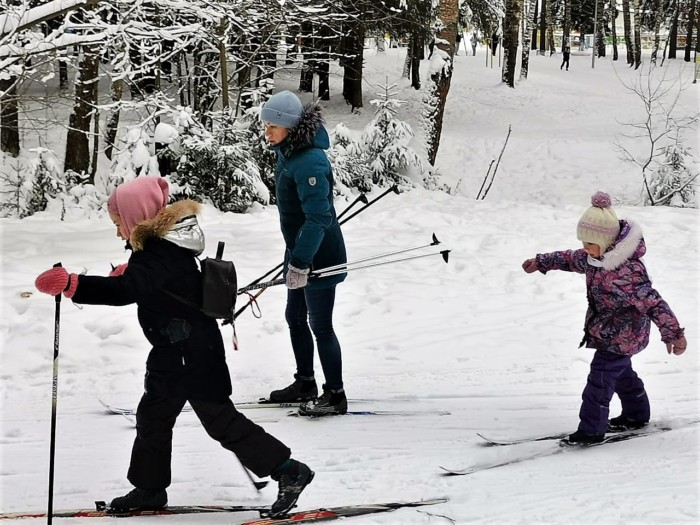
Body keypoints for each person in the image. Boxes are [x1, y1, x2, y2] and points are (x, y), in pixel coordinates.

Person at [34, 176, 313, 516]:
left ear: (135, 217)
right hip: (174, 353)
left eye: (119, 223)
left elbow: (128, 290)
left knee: (220, 420)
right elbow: (150, 282)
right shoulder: (161, 248)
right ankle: (149, 488)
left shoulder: (157, 252)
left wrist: (74, 284)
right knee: (152, 418)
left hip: (192, 356)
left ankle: (289, 471)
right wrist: (127, 275)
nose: (118, 231)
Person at [521, 191, 687, 445]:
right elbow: (568, 258)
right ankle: (636, 415)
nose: (585, 248)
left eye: (590, 243)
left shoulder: (628, 271)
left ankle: (591, 430)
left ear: (608, 242)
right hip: (608, 331)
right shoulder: (593, 257)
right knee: (621, 375)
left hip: (624, 334)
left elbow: (654, 303)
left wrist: (674, 334)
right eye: (584, 242)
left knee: (599, 380)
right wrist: (541, 261)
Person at [260, 91, 348, 417]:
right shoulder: (287, 151)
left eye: (271, 126)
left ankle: (335, 394)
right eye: (265, 126)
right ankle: (305, 382)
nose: (266, 132)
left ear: (289, 126)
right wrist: (293, 255)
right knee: (294, 317)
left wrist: (301, 261)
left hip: (319, 254)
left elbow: (318, 217)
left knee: (320, 325)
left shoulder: (310, 159)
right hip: (298, 250)